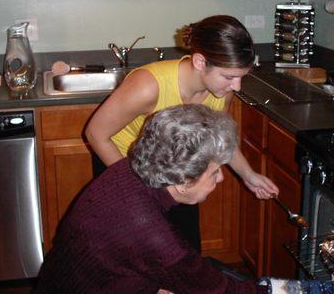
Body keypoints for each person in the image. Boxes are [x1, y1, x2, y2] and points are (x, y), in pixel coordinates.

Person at [35, 105, 334, 294]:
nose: (221, 179)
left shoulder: (128, 170)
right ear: (182, 181)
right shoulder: (154, 236)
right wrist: (298, 290)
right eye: (214, 173)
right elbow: (218, 290)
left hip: (70, 279)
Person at [85, 15, 279, 250]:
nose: (236, 87)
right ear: (200, 62)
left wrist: (248, 175)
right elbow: (96, 134)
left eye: (241, 77)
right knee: (137, 254)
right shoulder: (149, 85)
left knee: (184, 247)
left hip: (176, 167)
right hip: (122, 163)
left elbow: (221, 140)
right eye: (229, 77)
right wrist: (137, 190)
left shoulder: (221, 90)